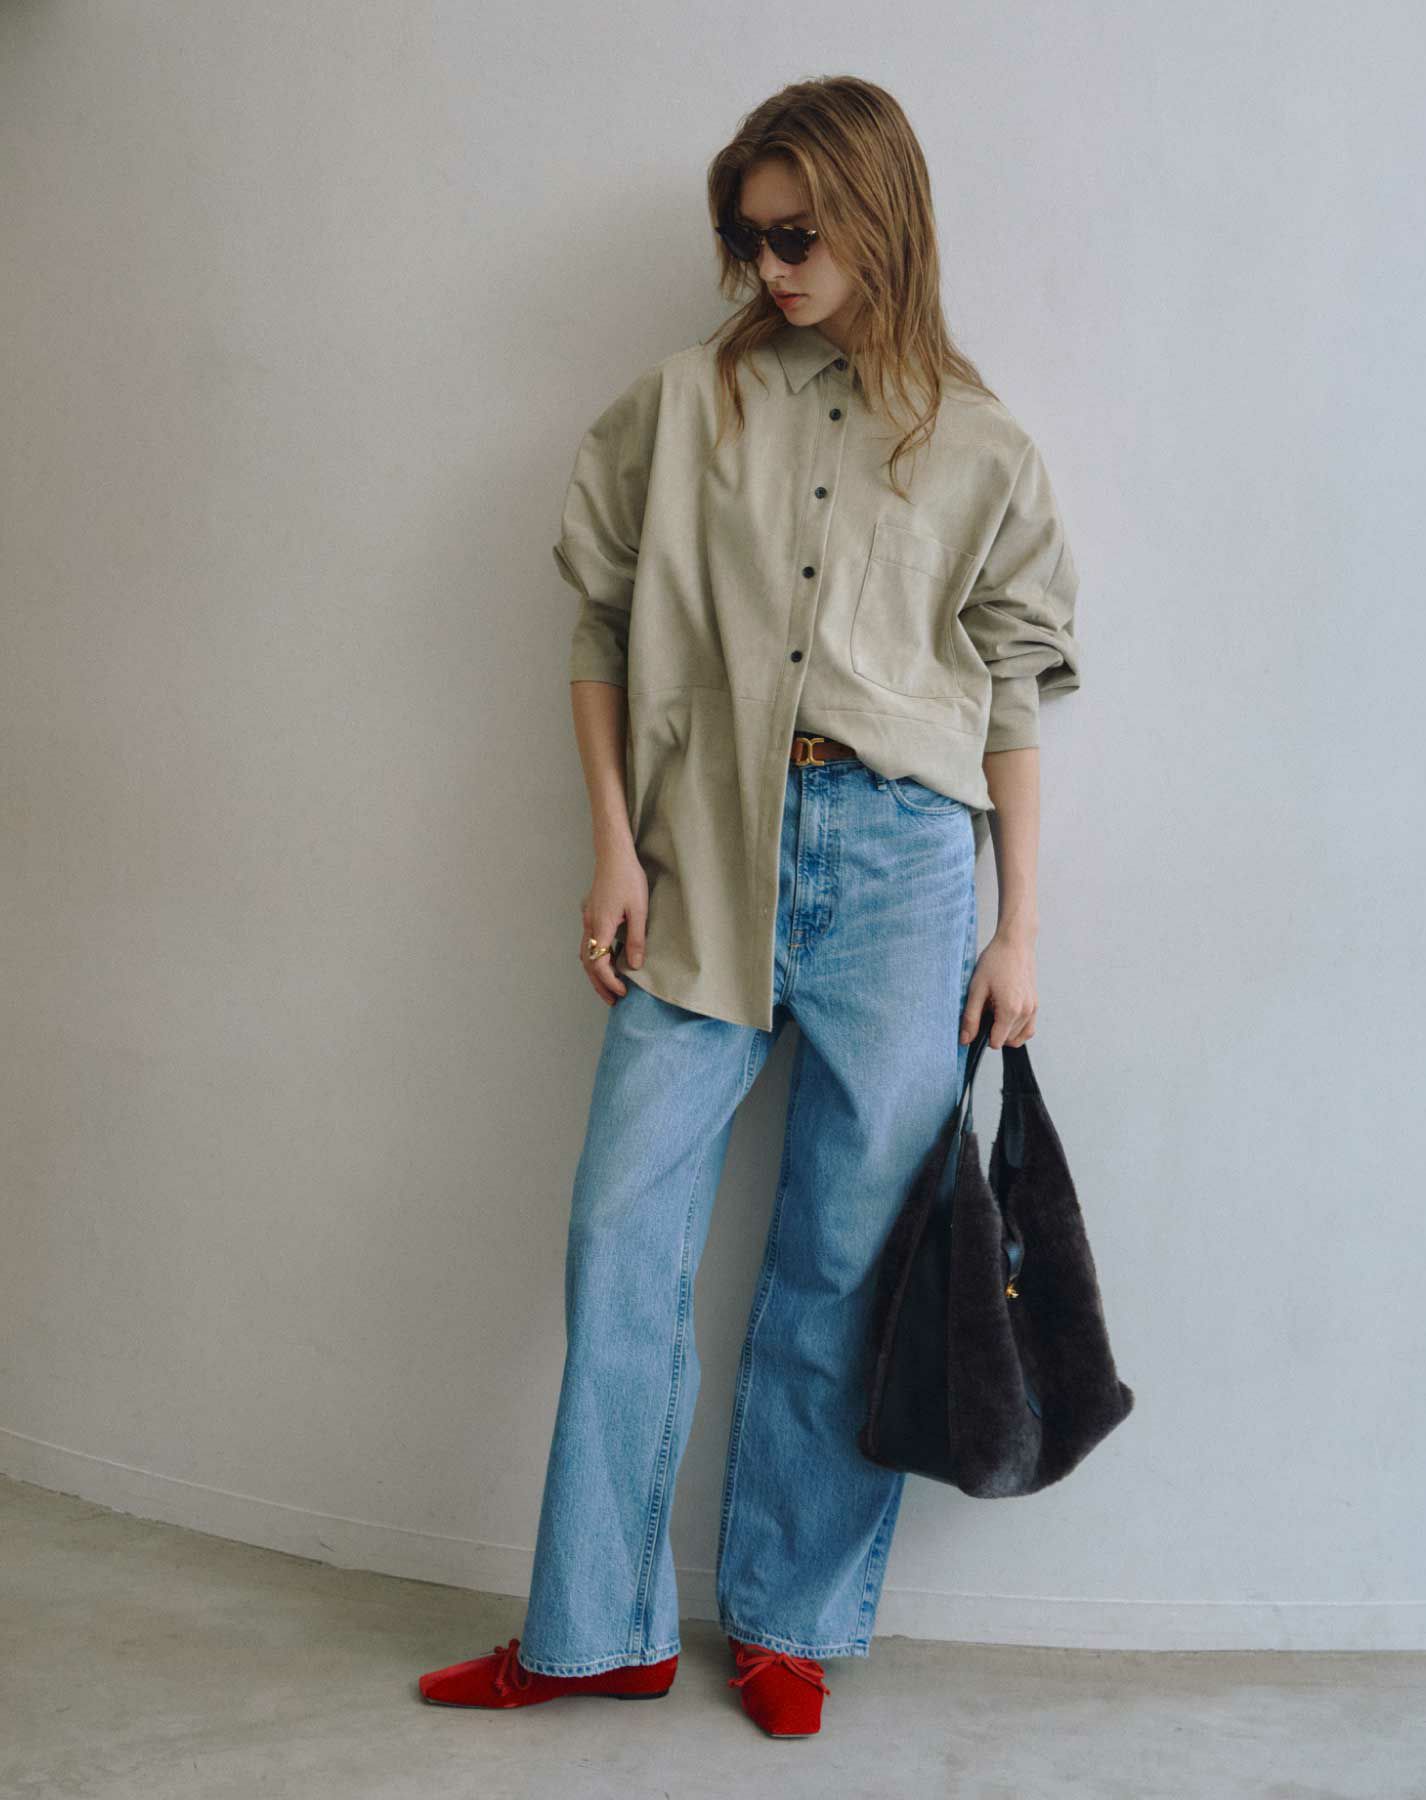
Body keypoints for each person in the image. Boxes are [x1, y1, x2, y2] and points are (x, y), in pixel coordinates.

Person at [418, 74, 1081, 1741]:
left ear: (877, 218)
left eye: (796, 236)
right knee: (619, 1233)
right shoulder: (678, 405)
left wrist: (1017, 928)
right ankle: (597, 1631)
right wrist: (614, 849)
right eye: (747, 237)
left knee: (846, 1257)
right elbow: (597, 625)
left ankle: (788, 1619)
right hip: (702, 847)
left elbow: (1012, 694)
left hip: (900, 868)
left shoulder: (984, 444)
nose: (768, 268)